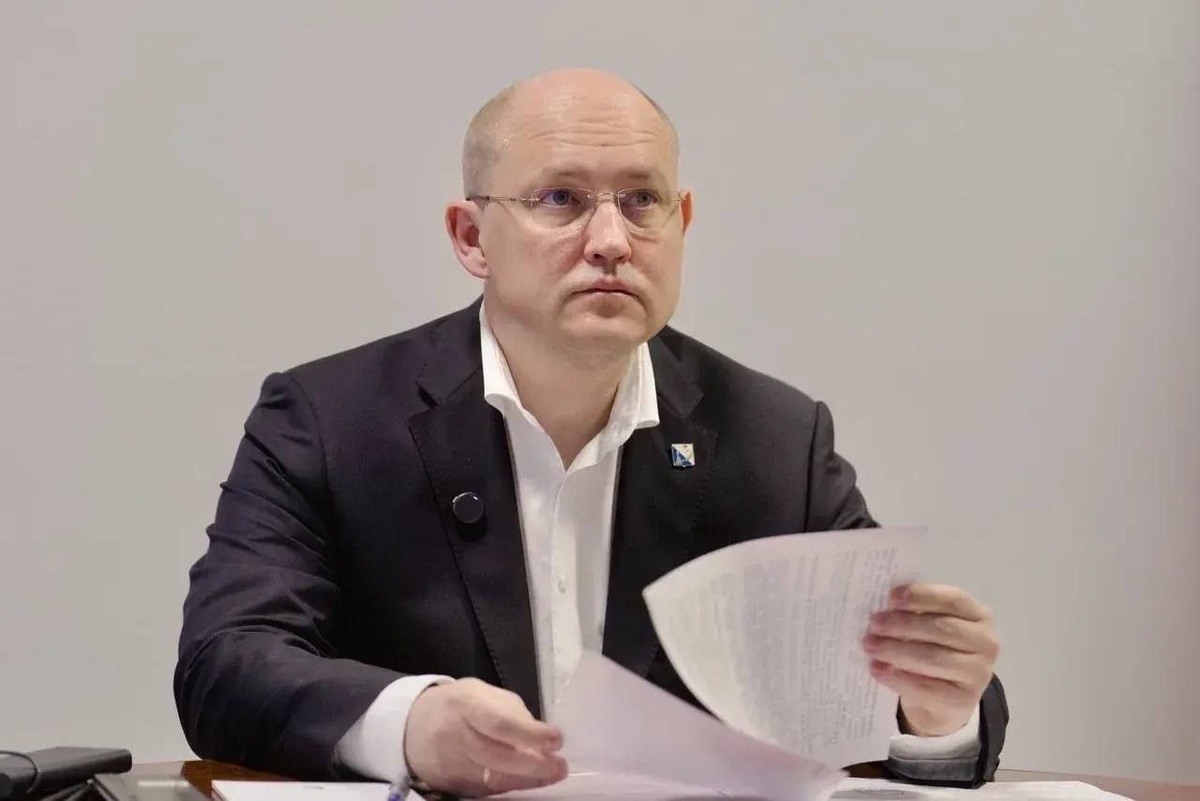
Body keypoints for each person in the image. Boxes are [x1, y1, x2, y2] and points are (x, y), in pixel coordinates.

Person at [174, 67, 1007, 797]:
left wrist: (933, 709)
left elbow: (901, 693)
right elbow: (226, 662)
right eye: (560, 199)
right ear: (471, 237)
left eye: (642, 201)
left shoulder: (776, 440)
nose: (611, 241)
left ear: (682, 221)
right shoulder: (331, 419)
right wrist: (410, 723)